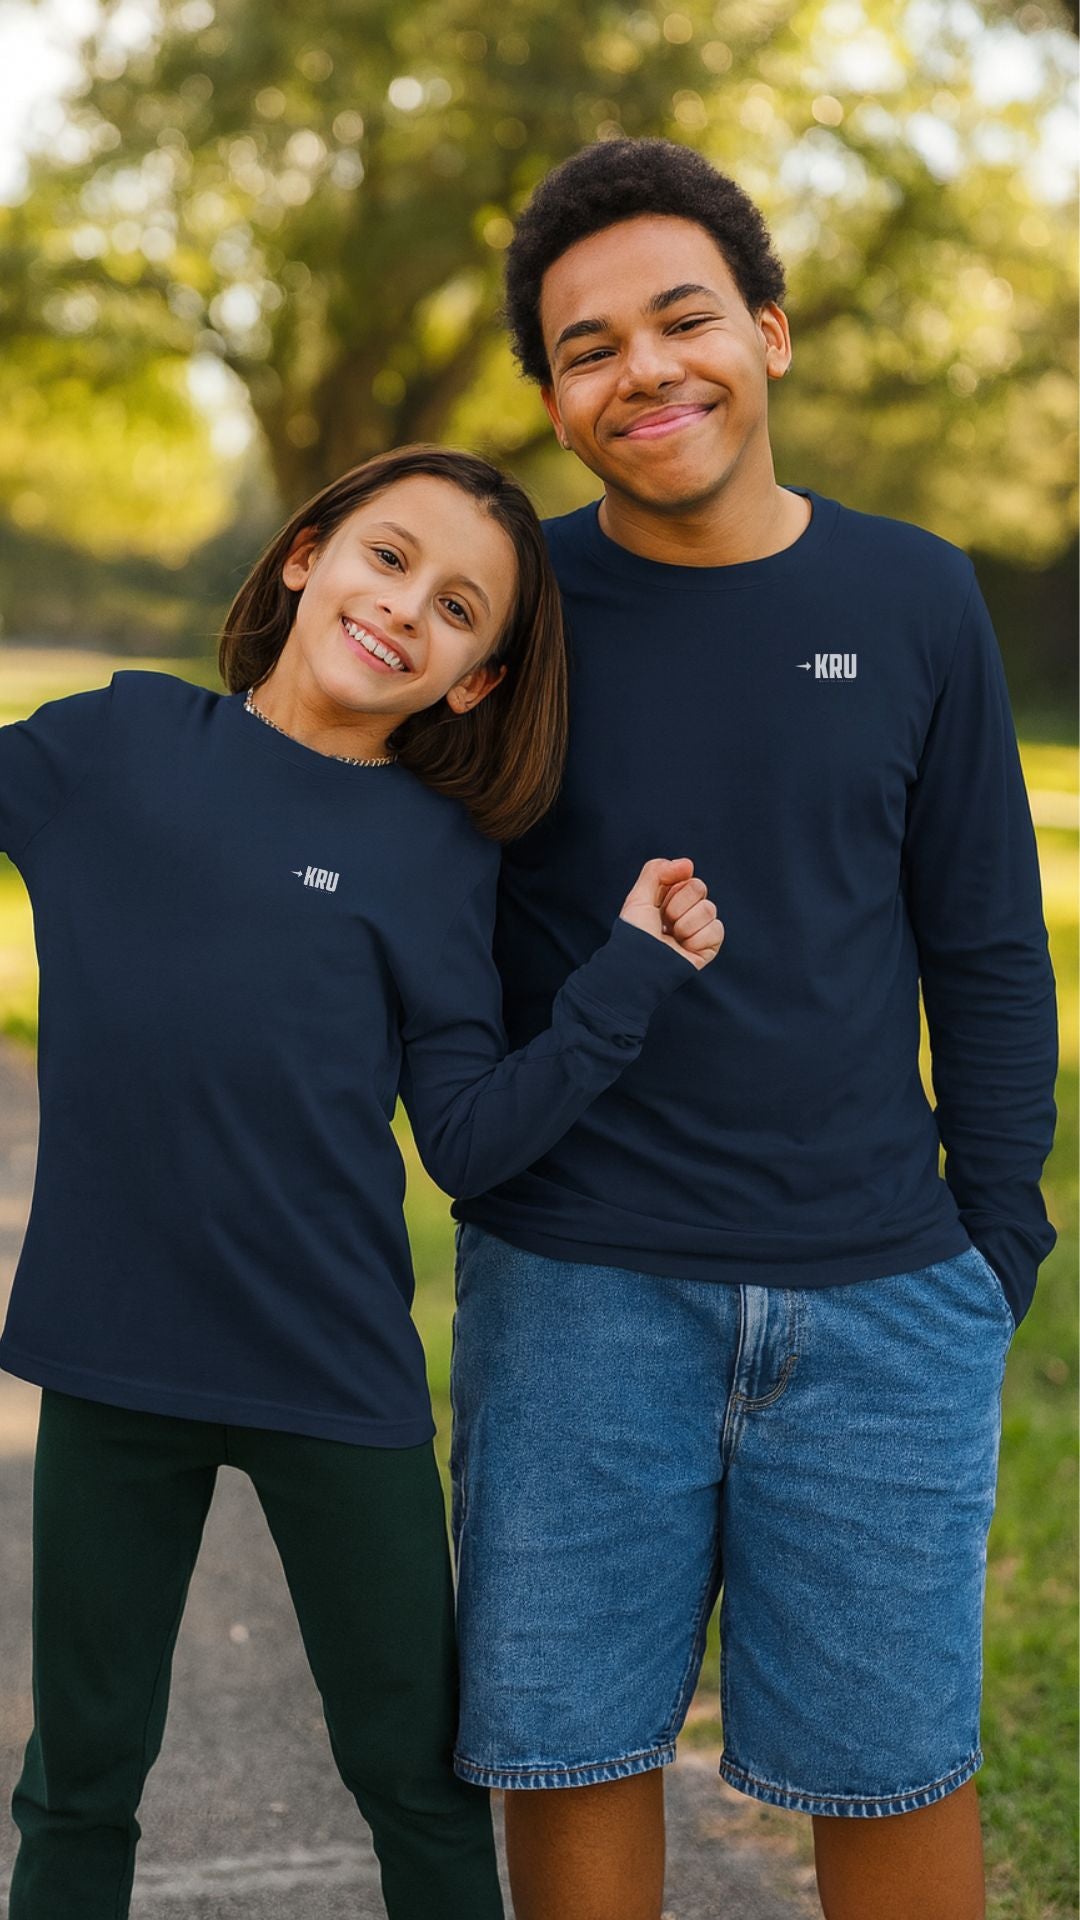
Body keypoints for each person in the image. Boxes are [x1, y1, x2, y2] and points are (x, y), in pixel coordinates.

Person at [448, 139, 1059, 1920]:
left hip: (882, 1306)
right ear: (556, 404)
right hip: (578, 1303)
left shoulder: (917, 598)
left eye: (683, 318)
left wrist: (990, 1248)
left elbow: (989, 952)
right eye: (585, 347)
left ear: (770, 335)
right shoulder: (521, 609)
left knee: (895, 1786)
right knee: (568, 1765)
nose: (644, 369)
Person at [0, 442, 724, 1920]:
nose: (408, 608)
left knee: (416, 1782)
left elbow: (462, 1135)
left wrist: (625, 982)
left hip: (333, 1379)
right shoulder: (115, 747)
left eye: (461, 610)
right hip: (108, 1357)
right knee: (79, 1777)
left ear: (471, 681)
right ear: (303, 558)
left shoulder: (436, 854)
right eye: (389, 559)